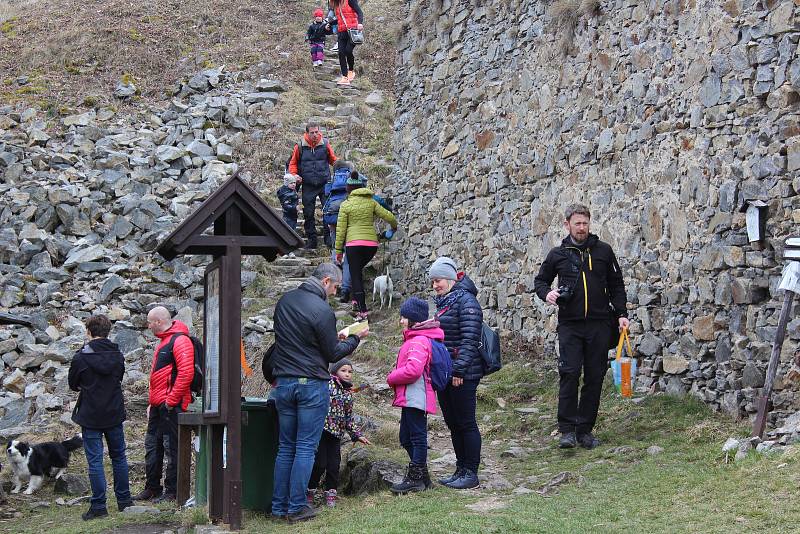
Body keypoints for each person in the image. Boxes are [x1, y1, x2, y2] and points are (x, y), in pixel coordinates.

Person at [270, 263, 368, 523]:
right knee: (305, 448)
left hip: (284, 383)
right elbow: (334, 354)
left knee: (285, 447)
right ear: (326, 281)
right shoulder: (322, 309)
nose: (335, 292)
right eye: (335, 287)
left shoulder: (285, 301)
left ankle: (279, 507)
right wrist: (355, 338)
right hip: (311, 385)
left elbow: (296, 340)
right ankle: (297, 507)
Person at [533, 203, 629, 450]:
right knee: (570, 373)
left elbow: (617, 285)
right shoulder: (558, 254)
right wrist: (548, 295)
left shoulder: (604, 251)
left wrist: (621, 314)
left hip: (599, 324)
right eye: (577, 223)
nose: (582, 228)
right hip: (570, 325)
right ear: (567, 225)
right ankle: (566, 430)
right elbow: (541, 281)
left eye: (585, 223)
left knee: (595, 377)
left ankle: (585, 430)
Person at [68, 314, 132, 520]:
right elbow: (119, 378)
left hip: (90, 414)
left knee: (95, 461)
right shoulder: (117, 355)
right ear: (107, 331)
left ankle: (99, 506)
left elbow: (72, 384)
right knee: (119, 457)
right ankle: (124, 501)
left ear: (89, 332)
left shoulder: (81, 357)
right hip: (114, 412)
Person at [429, 257, 483, 489]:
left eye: (438, 280)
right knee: (452, 422)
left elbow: (470, 338)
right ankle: (460, 468)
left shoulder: (466, 301)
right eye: (432, 281)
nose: (435, 285)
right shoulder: (445, 302)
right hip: (446, 373)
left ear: (450, 279)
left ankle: (471, 472)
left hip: (463, 373)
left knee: (466, 422)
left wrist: (459, 369)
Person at [134, 306, 195, 503]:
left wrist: (171, 400)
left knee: (172, 448)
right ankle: (152, 487)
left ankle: (172, 490)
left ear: (159, 322)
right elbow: (159, 377)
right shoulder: (165, 341)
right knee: (153, 445)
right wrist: (153, 402)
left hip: (171, 406)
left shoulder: (180, 340)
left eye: (150, 322)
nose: (148, 325)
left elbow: (186, 373)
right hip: (159, 406)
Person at [386, 297, 442, 494]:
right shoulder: (416, 338)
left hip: (416, 396)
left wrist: (391, 377)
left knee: (416, 437)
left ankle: (416, 479)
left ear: (414, 320)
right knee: (405, 437)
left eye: (404, 317)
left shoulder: (418, 341)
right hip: (411, 396)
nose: (401, 321)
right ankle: (423, 477)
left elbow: (413, 370)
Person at [334, 173, 398, 321]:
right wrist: (393, 228)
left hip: (353, 245)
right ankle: (357, 299)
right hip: (371, 245)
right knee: (357, 270)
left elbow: (341, 230)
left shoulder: (346, 205)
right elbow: (390, 217)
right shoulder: (372, 202)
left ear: (348, 188)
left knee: (355, 274)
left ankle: (362, 311)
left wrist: (338, 250)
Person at [307, 358, 370, 508]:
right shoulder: (327, 384)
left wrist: (357, 434)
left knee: (334, 465)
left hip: (336, 434)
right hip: (322, 430)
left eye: (350, 371)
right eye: (343, 370)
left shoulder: (348, 393)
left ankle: (330, 494)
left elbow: (348, 417)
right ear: (334, 371)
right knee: (319, 464)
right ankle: (309, 492)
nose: (347, 374)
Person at [287, 122, 337, 249]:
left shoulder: (325, 144)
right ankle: (312, 240)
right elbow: (292, 163)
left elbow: (333, 160)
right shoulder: (300, 146)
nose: (315, 135)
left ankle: (328, 239)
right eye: (312, 132)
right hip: (308, 185)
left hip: (325, 183)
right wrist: (294, 175)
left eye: (317, 132)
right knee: (308, 213)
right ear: (307, 133)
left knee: (328, 211)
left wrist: (340, 167)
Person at [331, 0, 363, 86]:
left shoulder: (350, 1)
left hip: (352, 31)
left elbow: (359, 12)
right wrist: (329, 23)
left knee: (348, 51)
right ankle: (344, 77)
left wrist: (360, 23)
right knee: (341, 53)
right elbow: (339, 18)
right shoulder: (336, 4)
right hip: (341, 32)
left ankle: (351, 70)